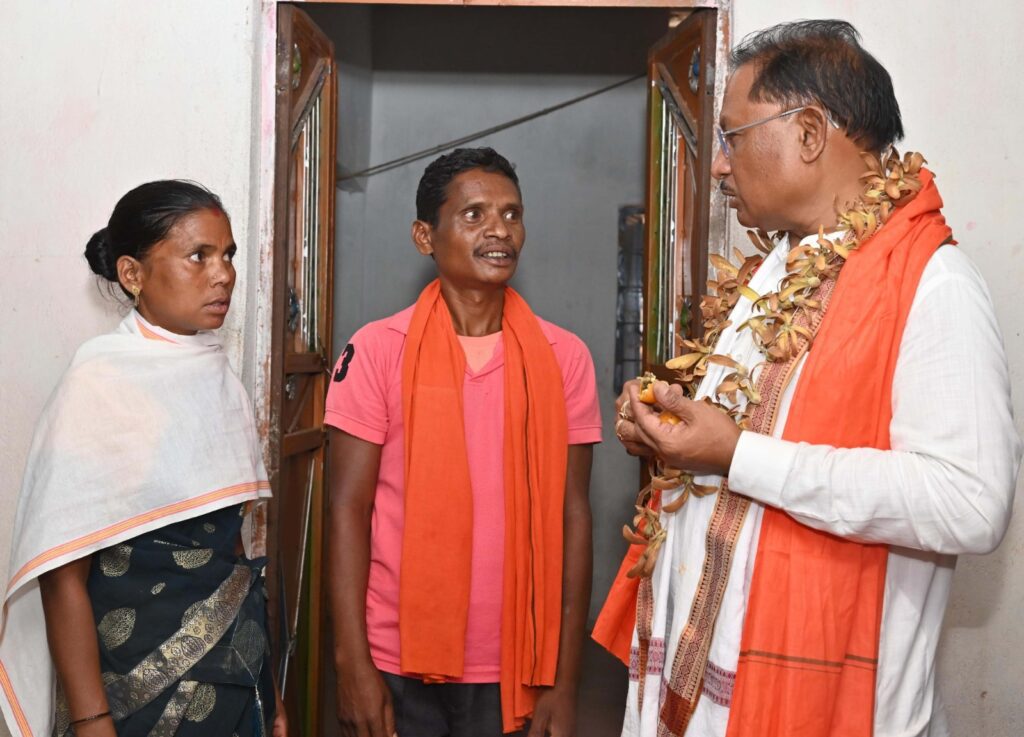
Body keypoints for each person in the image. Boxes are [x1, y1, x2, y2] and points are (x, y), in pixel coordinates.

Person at [595, 20, 1022, 737]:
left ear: (810, 133)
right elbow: (752, 435)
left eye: (732, 137)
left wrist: (736, 454)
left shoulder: (933, 284)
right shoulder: (772, 273)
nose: (719, 166)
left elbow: (971, 502)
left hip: (834, 708)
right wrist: (671, 426)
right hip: (708, 697)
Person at [325, 147, 602, 737]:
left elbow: (573, 515)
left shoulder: (563, 358)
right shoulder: (377, 350)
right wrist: (351, 664)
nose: (499, 229)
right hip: (396, 656)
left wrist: (566, 677)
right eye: (474, 214)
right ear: (425, 236)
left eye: (511, 213)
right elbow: (347, 508)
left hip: (520, 660)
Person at [0, 181, 288, 737]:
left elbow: (233, 553)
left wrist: (268, 692)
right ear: (132, 274)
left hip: (235, 678)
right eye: (198, 256)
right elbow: (61, 575)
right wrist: (91, 721)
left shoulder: (219, 379)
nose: (223, 274)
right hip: (135, 691)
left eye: (228, 255)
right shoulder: (97, 384)